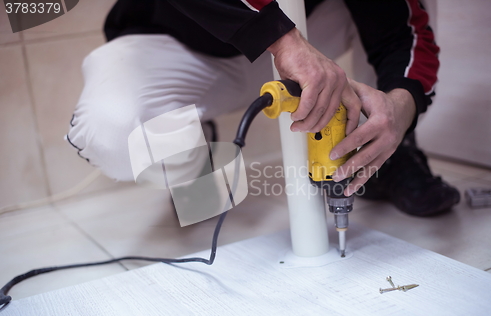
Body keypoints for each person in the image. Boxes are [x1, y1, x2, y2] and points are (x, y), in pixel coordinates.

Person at [67, 0, 460, 216]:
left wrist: (399, 109)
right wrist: (282, 42)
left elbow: (403, 31)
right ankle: (191, 151)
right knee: (115, 134)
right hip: (182, 39)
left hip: (310, 26)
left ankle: (389, 153)